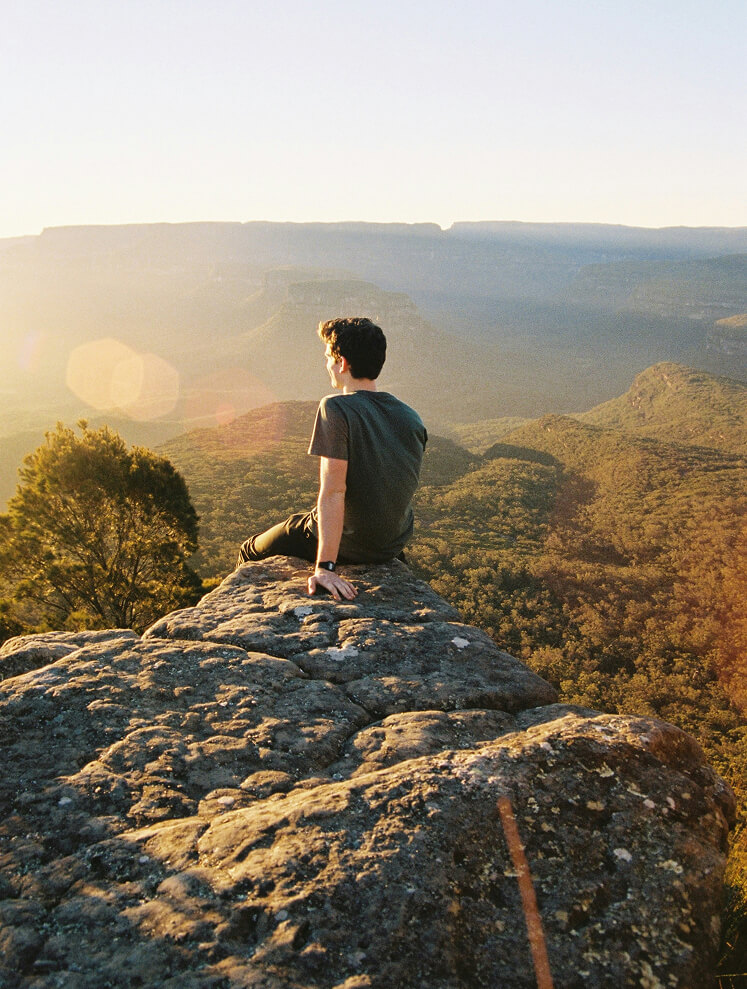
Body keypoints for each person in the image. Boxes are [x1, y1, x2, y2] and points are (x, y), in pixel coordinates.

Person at [236, 317, 427, 601]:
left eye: (328, 357)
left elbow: (334, 492)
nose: (327, 364)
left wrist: (325, 567)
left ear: (343, 363)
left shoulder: (336, 408)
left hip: (350, 544)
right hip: (390, 546)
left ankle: (242, 603)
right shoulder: (411, 417)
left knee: (249, 550)